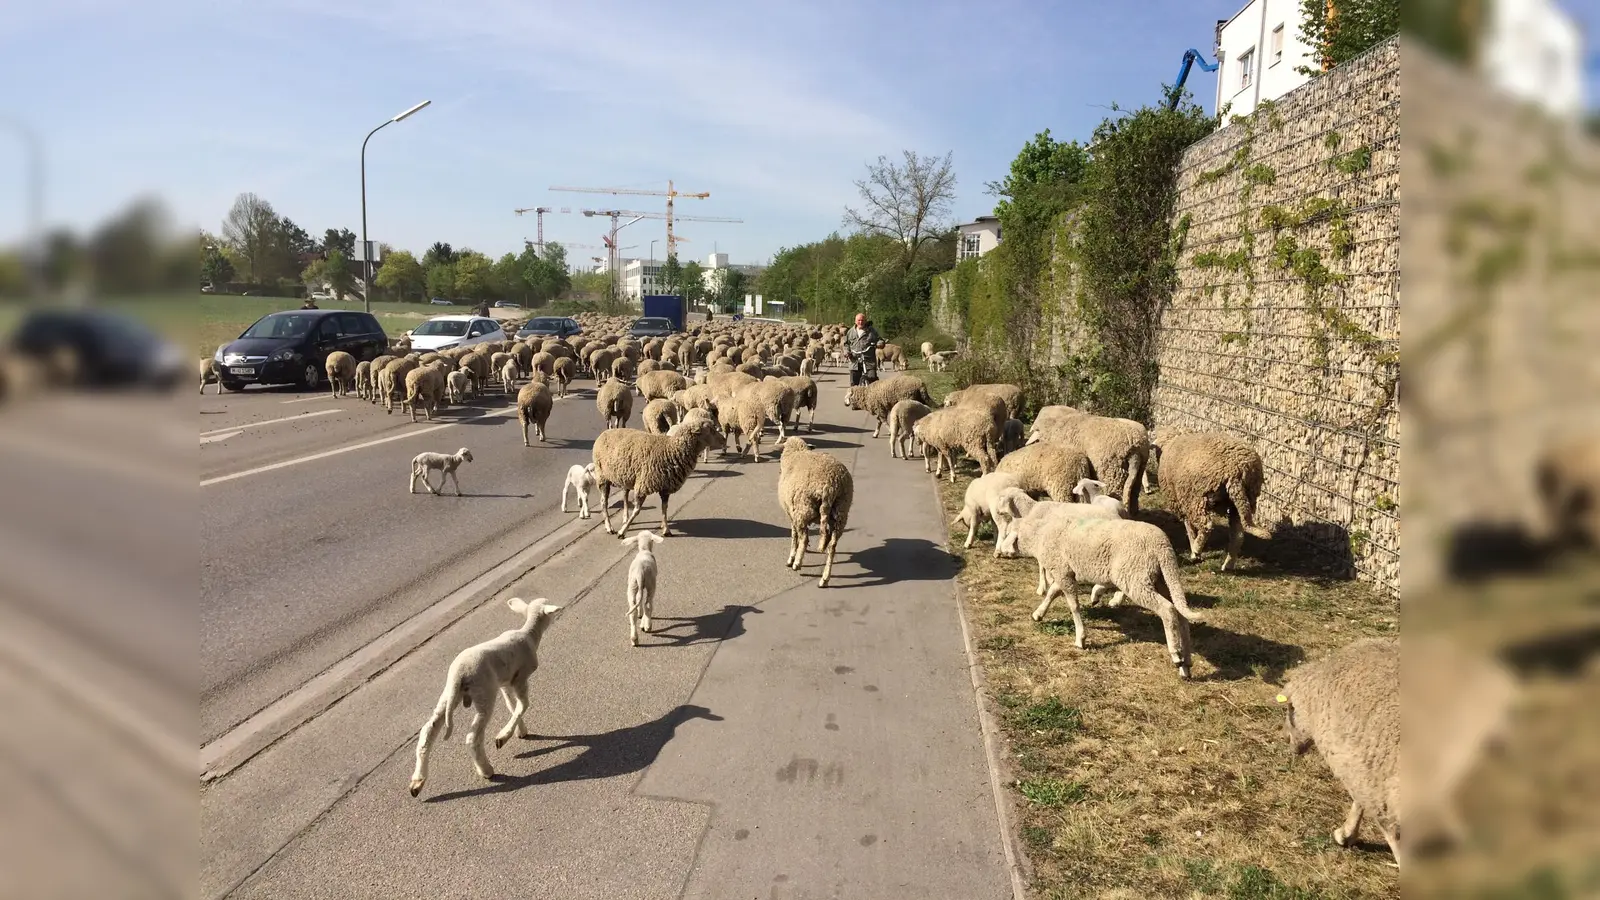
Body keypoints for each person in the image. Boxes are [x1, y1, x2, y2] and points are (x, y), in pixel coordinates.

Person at [845, 312, 883, 387]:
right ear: (855, 321)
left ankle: (873, 396)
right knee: (854, 384)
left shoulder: (871, 331)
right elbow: (846, 344)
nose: (860, 322)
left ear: (865, 321)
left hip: (869, 360)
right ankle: (854, 397)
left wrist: (880, 343)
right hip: (855, 360)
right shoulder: (850, 332)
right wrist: (847, 352)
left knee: (873, 380)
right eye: (859, 320)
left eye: (862, 320)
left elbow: (879, 339)